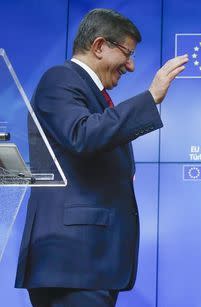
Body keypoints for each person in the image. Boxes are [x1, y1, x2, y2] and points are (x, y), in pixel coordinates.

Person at [15, 8, 188, 306]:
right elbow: (82, 135)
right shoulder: (61, 78)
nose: (131, 66)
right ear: (98, 46)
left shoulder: (88, 91)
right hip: (71, 263)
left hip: (89, 266)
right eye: (127, 53)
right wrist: (150, 99)